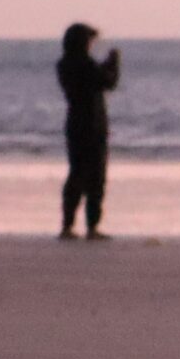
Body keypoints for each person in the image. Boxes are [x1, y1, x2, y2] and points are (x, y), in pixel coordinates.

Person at [57, 23, 120, 239]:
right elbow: (108, 81)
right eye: (90, 41)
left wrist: (106, 66)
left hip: (76, 125)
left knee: (77, 174)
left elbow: (96, 78)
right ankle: (91, 226)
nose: (92, 45)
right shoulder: (84, 64)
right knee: (95, 177)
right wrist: (114, 63)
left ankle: (68, 225)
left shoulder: (65, 64)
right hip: (92, 126)